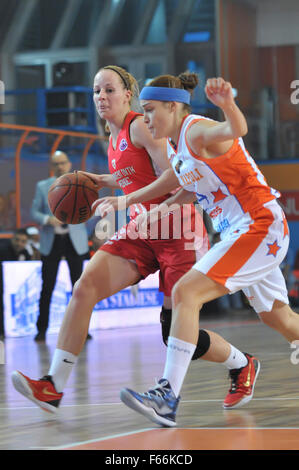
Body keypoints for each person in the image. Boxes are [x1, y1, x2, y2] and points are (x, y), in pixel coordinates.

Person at [11, 66, 258, 414]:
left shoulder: (140, 125)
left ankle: (239, 362)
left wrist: (125, 200)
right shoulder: (113, 138)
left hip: (178, 230)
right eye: (96, 91)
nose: (101, 97)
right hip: (143, 229)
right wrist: (108, 180)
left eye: (109, 90)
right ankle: (53, 386)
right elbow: (136, 171)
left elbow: (175, 177)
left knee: (173, 332)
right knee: (84, 288)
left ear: (128, 93)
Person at [92, 72, 299, 427]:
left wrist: (228, 104)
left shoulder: (196, 129)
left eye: (151, 110)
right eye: (143, 111)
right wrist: (141, 206)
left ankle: (167, 397)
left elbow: (236, 130)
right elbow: (181, 181)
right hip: (241, 231)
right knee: (277, 317)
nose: (145, 118)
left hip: (258, 225)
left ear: (173, 107)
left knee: (187, 291)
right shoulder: (175, 144)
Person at [29, 150, 90, 342]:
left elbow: (90, 208)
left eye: (62, 163)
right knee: (47, 287)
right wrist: (48, 219)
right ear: (51, 166)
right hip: (51, 240)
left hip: (75, 241)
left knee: (79, 288)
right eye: (56, 163)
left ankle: (82, 330)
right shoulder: (42, 186)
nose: (60, 166)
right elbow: (34, 212)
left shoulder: (80, 184)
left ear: (69, 164)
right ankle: (41, 329)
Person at [0, 228, 31, 339]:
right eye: (17, 240)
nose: (19, 244)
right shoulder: (3, 250)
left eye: (23, 241)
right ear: (13, 239)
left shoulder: (25, 253)